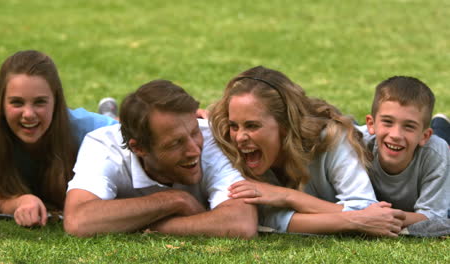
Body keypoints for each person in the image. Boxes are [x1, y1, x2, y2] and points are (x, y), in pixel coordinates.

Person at [209, 66, 405, 237]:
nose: (240, 137)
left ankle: (437, 126)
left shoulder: (332, 138)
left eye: (252, 126)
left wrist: (288, 197)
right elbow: (267, 218)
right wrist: (351, 220)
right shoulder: (230, 146)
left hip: (387, 148)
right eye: (235, 125)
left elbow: (368, 211)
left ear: (285, 125)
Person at [63, 80, 258, 238]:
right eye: (175, 143)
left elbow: (240, 223)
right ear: (139, 148)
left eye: (194, 131)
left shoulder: (211, 140)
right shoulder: (102, 145)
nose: (194, 150)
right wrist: (173, 200)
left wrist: (152, 226)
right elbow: (79, 220)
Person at [0, 50, 117, 227]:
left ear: (56, 101)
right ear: (1, 103)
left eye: (39, 102)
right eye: (17, 102)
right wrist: (20, 202)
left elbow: (133, 135)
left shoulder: (86, 129)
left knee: (116, 122)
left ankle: (110, 113)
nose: (28, 114)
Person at [359, 76, 449, 226]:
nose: (395, 135)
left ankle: (441, 126)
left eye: (409, 126)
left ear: (425, 135)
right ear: (371, 124)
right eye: (388, 122)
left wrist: (384, 216)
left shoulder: (436, 155)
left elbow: (435, 217)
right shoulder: (358, 144)